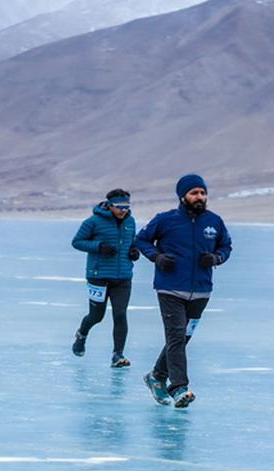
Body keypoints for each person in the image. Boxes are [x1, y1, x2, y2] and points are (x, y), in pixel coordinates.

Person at [135, 174, 232, 409]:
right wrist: (157, 257)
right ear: (183, 196)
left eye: (202, 192)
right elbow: (141, 240)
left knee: (182, 338)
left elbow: (226, 246)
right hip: (170, 289)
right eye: (194, 193)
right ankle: (179, 387)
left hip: (201, 291)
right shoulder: (166, 220)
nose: (199, 197)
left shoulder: (214, 222)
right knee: (176, 336)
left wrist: (216, 257)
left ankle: (156, 376)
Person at [71, 189, 138, 368]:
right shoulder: (93, 222)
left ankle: (118, 355)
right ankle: (81, 334)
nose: (124, 210)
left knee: (120, 314)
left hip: (123, 277)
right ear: (109, 205)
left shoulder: (130, 222)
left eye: (127, 206)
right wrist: (99, 246)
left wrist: (134, 251)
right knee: (96, 316)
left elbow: (133, 241)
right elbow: (77, 242)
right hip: (98, 277)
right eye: (120, 207)